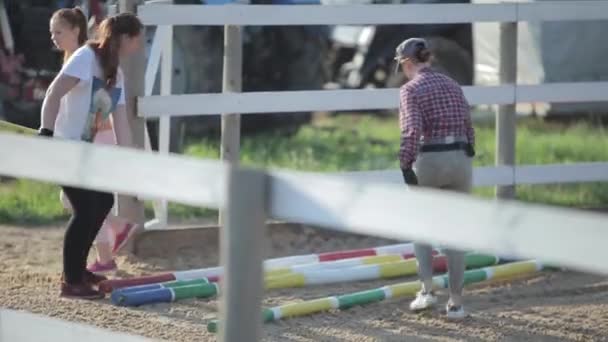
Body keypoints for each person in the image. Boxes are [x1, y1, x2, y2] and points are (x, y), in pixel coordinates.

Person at [39, 12, 143, 299]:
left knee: (103, 201)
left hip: (87, 153)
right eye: (138, 39)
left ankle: (77, 271)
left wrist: (135, 160)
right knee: (86, 209)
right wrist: (46, 132)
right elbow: (54, 92)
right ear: (125, 38)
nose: (139, 45)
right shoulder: (86, 57)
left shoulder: (116, 74)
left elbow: (121, 124)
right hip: (64, 146)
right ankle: (71, 281)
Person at [395, 37, 475, 319]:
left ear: (407, 63)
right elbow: (468, 121)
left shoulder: (410, 90)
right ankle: (456, 303)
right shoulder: (453, 84)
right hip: (461, 159)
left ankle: (427, 291)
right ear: (428, 58)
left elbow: (412, 131)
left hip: (431, 158)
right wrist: (469, 152)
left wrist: (405, 164)